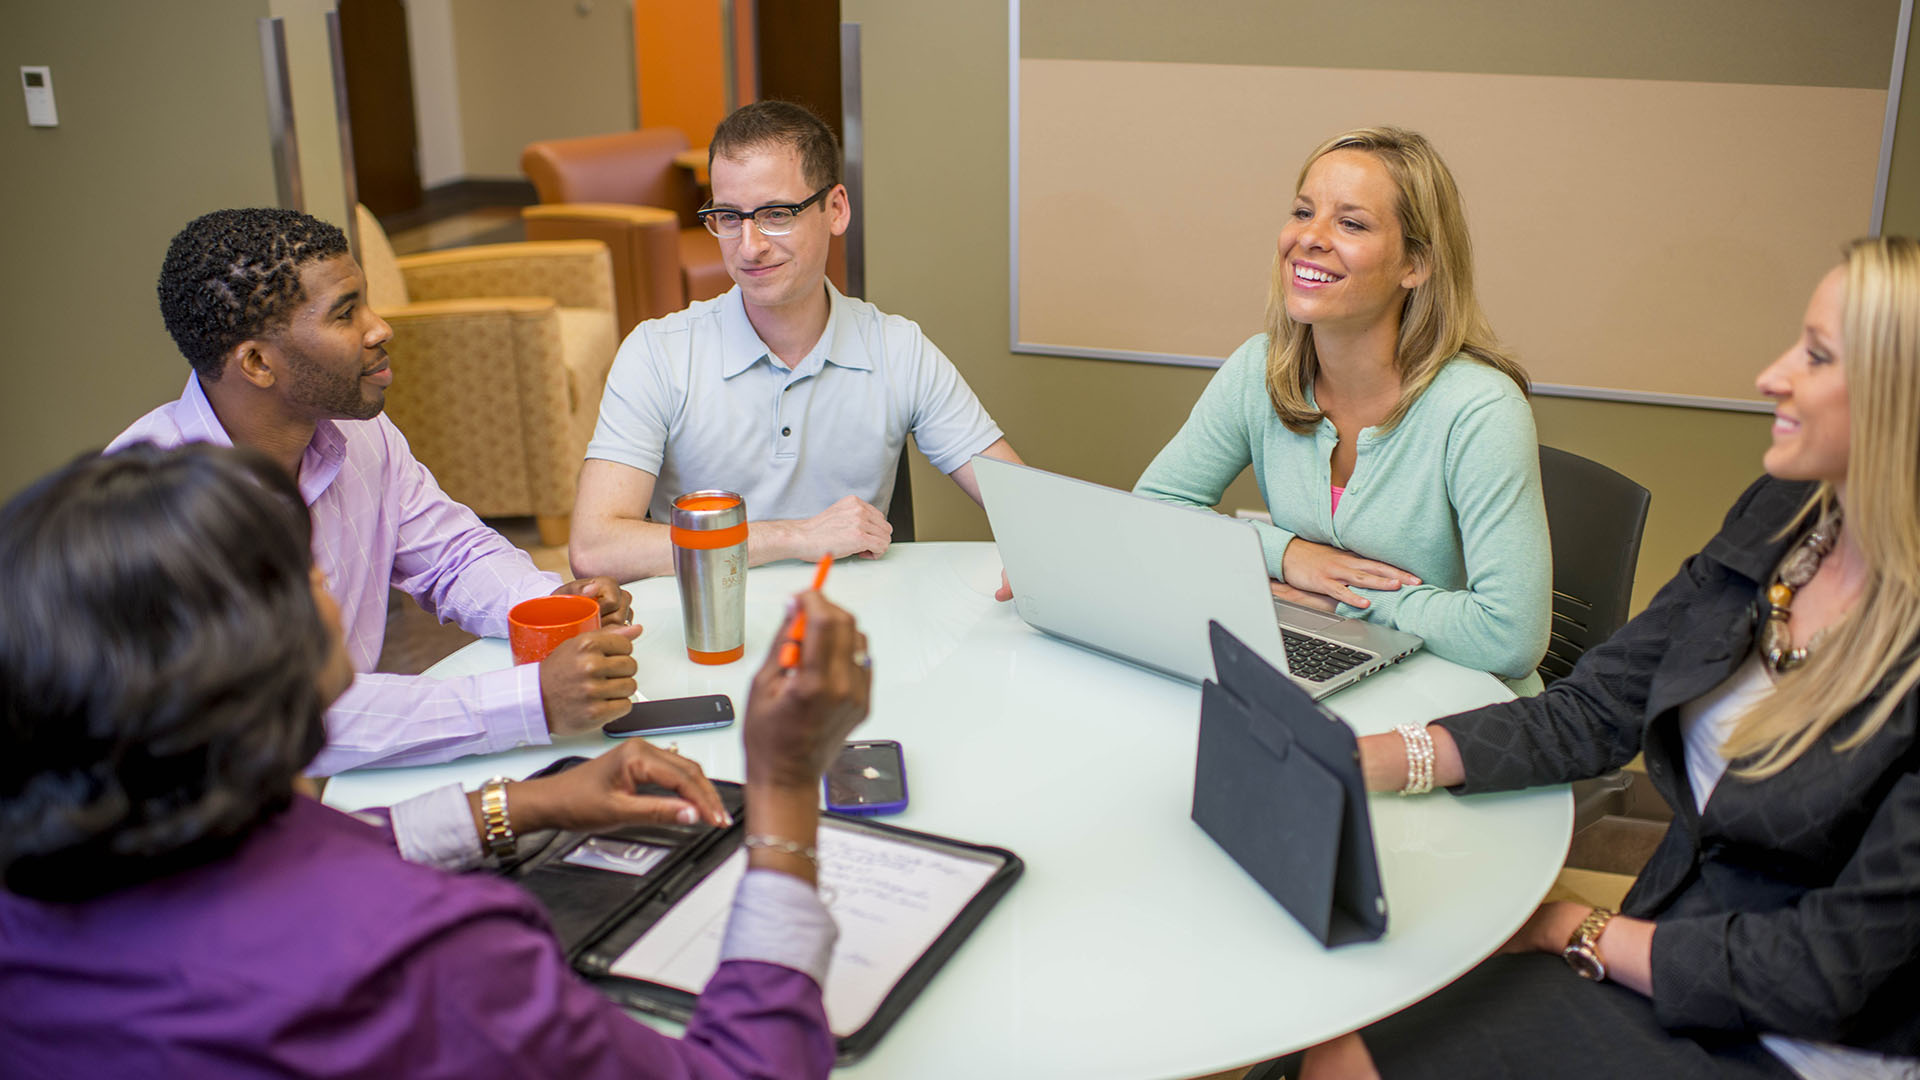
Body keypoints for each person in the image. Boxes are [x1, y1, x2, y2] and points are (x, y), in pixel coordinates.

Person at [0, 443, 872, 1078]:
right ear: (255, 654)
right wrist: (785, 791)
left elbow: (294, 856)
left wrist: (523, 807)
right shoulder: (431, 959)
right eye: (305, 570)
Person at [1294, 236, 1920, 1078]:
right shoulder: (1789, 516)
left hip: (1799, 1045)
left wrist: (1574, 928)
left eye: (1816, 356)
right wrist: (1379, 757)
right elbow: (1599, 708)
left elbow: (1829, 973)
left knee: (1351, 1052)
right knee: (1333, 1021)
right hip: (1669, 952)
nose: (1773, 376)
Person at [110, 207, 640, 776]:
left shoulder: (356, 429)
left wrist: (545, 608)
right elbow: (288, 717)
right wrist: (530, 701)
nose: (380, 327)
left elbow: (454, 555)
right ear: (258, 362)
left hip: (320, 787)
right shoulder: (152, 511)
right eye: (345, 314)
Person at [1134, 127, 1549, 691]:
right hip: (1317, 658)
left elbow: (1510, 637)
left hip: (1457, 700)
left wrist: (1344, 603)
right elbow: (1154, 509)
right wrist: (1288, 556)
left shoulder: (1479, 409)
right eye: (1303, 212)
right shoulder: (1259, 369)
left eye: (1350, 223)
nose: (1310, 237)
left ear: (1416, 265)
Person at [570, 100, 1023, 584]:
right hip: (706, 631)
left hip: (850, 633)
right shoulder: (658, 353)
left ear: (836, 210)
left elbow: (1023, 506)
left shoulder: (898, 349)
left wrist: (1039, 551)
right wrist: (795, 537)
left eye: (776, 214)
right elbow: (596, 549)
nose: (749, 246)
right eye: (728, 217)